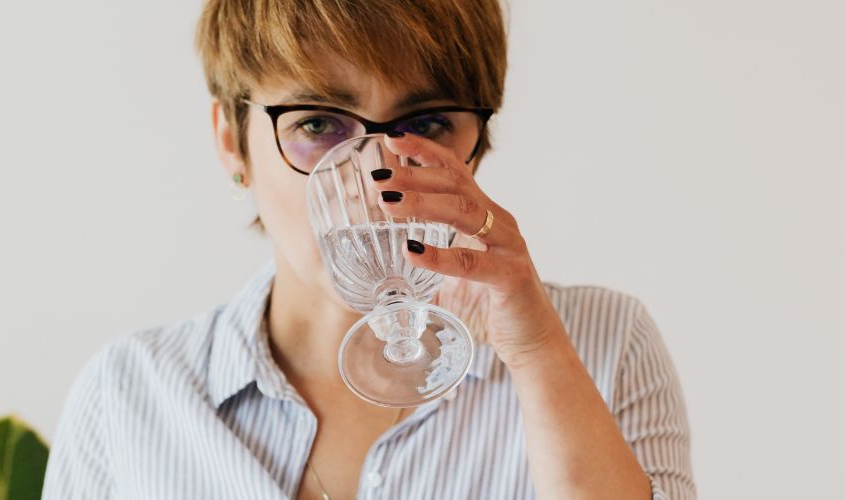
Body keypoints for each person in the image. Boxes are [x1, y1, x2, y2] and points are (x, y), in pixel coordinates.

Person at [41, 1, 695, 499]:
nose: (376, 174)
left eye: (427, 123)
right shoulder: (129, 395)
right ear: (231, 142)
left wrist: (536, 353)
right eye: (317, 123)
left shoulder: (604, 345)